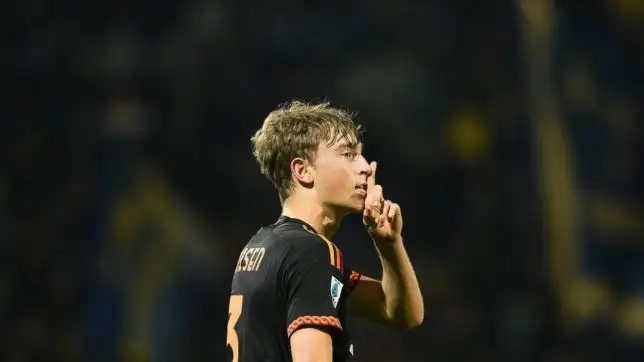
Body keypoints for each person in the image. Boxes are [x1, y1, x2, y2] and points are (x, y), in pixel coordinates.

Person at [226, 101, 424, 362]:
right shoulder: (312, 253)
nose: (366, 166)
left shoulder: (263, 246)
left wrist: (388, 243)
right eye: (348, 154)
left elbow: (402, 313)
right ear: (303, 170)